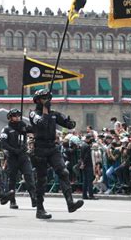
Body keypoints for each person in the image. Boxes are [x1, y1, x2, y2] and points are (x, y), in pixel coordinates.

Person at [29, 88, 83, 219]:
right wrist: (45, 111)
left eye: (48, 98)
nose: (47, 101)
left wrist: (70, 123)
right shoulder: (33, 114)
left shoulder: (53, 114)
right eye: (44, 99)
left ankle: (70, 203)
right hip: (39, 148)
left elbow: (67, 124)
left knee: (63, 172)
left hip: (52, 147)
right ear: (37, 101)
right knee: (42, 179)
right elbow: (42, 123)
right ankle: (40, 209)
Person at [0, 108, 37, 209]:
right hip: (12, 157)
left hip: (23, 156)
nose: (17, 117)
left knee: (29, 175)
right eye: (15, 116)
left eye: (18, 115)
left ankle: (34, 198)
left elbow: (35, 129)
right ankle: (12, 201)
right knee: (12, 179)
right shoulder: (6, 129)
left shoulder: (23, 126)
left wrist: (31, 121)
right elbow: (3, 144)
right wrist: (14, 150)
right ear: (10, 117)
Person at [79, 134, 97, 200]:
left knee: (85, 180)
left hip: (84, 165)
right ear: (88, 139)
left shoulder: (83, 145)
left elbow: (81, 156)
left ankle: (84, 195)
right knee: (89, 181)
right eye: (90, 139)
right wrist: (83, 163)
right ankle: (91, 195)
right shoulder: (87, 146)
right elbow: (86, 156)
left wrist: (82, 163)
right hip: (88, 165)